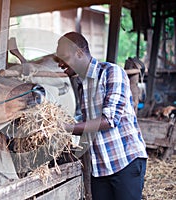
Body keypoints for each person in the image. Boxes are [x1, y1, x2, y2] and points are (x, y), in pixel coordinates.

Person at [55, 32, 148, 200]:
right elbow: (90, 127)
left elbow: (110, 120)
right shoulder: (82, 85)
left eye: (63, 57)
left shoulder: (112, 72)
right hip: (100, 167)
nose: (60, 64)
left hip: (125, 161)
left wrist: (67, 128)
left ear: (79, 53)